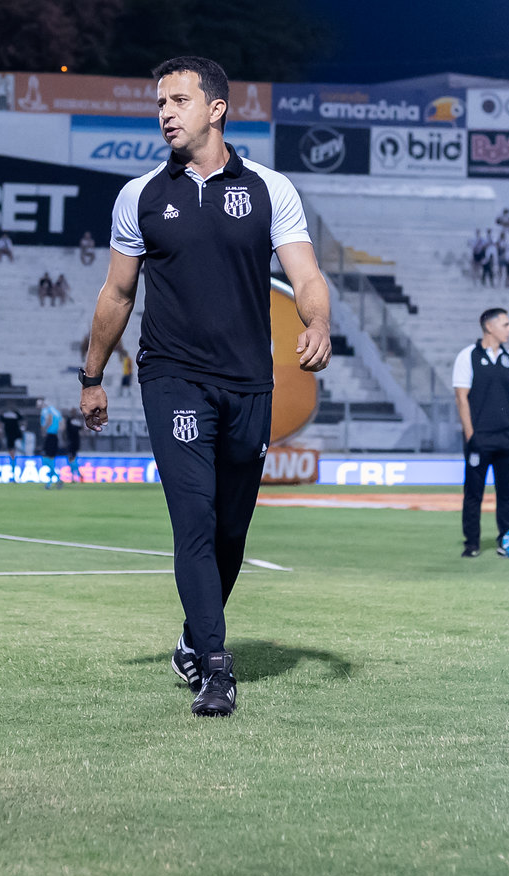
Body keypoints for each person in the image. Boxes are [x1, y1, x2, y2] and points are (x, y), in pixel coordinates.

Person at [79, 55, 330, 718]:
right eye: (160, 100)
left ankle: (194, 633)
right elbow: (117, 292)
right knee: (194, 518)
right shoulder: (138, 196)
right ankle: (214, 668)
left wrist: (320, 320)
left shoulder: (271, 189)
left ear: (217, 108)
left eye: (179, 99)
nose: (165, 111)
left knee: (231, 530)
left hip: (250, 380)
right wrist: (92, 375)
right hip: (172, 376)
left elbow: (305, 276)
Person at [452, 306, 509, 557]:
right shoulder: (467, 356)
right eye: (505, 324)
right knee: (474, 493)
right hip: (480, 437)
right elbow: (461, 398)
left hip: (508, 438)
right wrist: (471, 435)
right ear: (489, 327)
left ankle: (506, 540)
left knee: (508, 494)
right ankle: (472, 543)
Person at [38, 396, 64, 488]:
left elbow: (49, 419)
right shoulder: (56, 412)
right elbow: (62, 424)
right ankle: (50, 483)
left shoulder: (47, 411)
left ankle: (57, 479)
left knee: (45, 459)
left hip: (50, 436)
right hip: (55, 436)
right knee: (51, 460)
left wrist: (44, 429)